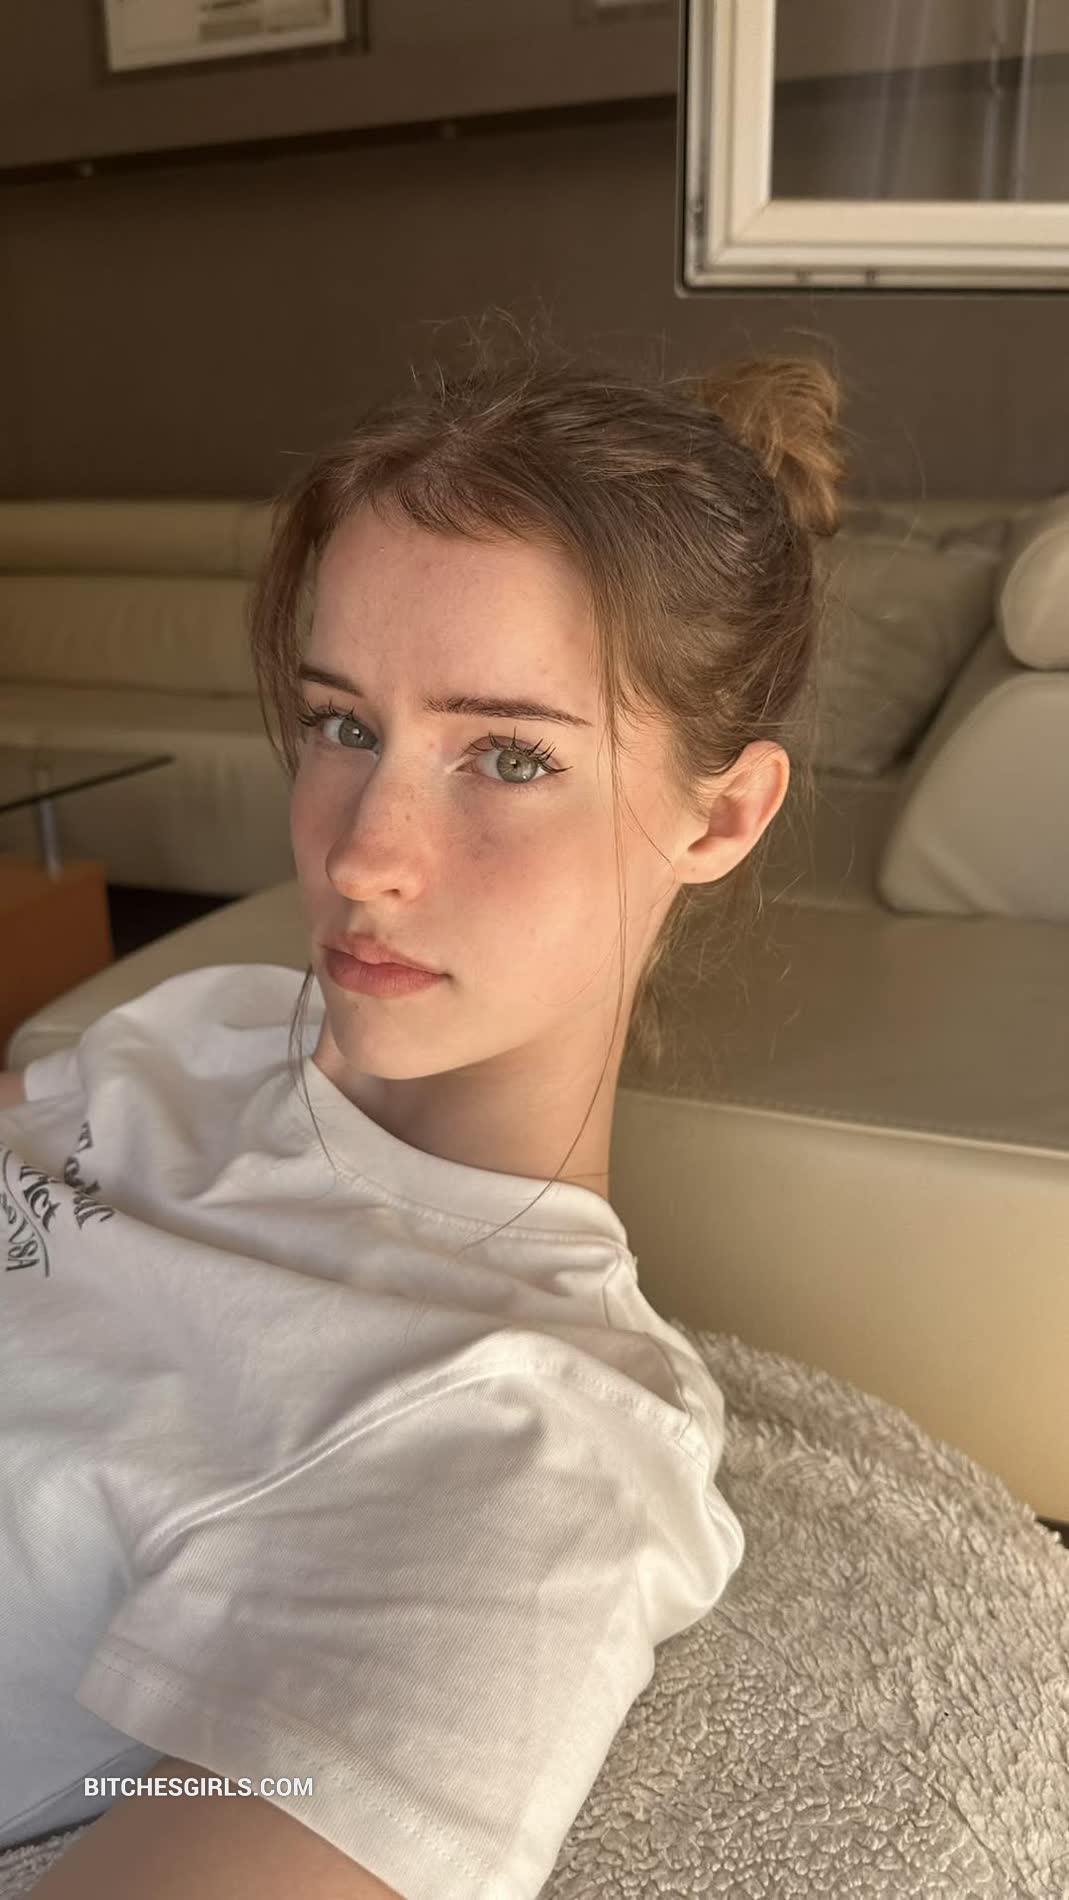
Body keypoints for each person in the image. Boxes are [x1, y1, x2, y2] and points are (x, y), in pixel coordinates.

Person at [0, 311, 846, 1900]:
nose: (360, 854)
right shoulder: (210, 1028)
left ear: (720, 815)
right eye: (343, 725)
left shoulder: (528, 1434)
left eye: (507, 758)